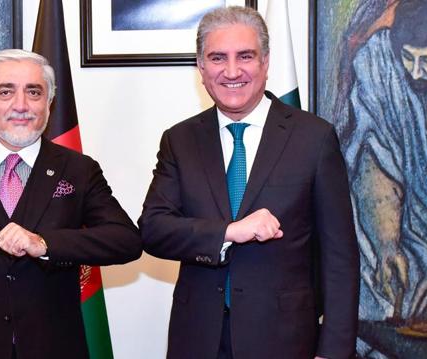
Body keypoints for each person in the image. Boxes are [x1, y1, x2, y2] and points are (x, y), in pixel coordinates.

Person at [139, 6, 360, 359]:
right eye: (217, 58)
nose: (231, 71)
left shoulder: (314, 139)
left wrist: (333, 351)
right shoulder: (179, 140)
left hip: (285, 341)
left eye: (245, 56)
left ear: (266, 62)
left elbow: (340, 258)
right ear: (200, 66)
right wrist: (228, 231)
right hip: (197, 339)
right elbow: (153, 229)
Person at [0, 49, 142, 359]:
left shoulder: (78, 170)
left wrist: (45, 243)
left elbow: (127, 241)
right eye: (6, 91)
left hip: (55, 347)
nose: (21, 105)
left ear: (49, 104)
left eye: (34, 92)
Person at [341, 0, 427, 350]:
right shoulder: (377, 60)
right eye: (408, 57)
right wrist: (385, 244)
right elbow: (372, 155)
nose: (415, 71)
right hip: (406, 237)